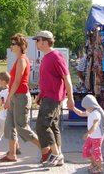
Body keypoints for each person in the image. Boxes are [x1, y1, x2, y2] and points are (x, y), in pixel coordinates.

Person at [33, 30, 76, 167]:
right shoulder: (46, 57)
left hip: (53, 97)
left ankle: (56, 154)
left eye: (38, 40)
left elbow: (67, 77)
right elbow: (47, 79)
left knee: (41, 125)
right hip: (47, 96)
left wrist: (70, 98)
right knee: (53, 126)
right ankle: (59, 155)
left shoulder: (56, 56)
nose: (36, 42)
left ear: (45, 42)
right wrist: (40, 94)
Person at [0, 34, 41, 163]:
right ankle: (12, 154)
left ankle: (45, 149)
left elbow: (17, 81)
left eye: (13, 44)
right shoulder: (18, 59)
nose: (11, 46)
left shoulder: (22, 59)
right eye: (11, 44)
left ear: (20, 46)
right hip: (14, 96)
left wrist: (8, 98)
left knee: (22, 127)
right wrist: (10, 97)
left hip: (21, 97)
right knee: (10, 125)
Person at [71, 95, 104, 174]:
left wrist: (88, 133)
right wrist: (73, 108)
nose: (85, 109)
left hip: (97, 137)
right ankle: (94, 163)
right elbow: (81, 113)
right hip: (91, 136)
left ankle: (100, 168)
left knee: (96, 152)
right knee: (85, 150)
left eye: (86, 107)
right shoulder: (90, 111)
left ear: (91, 105)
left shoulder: (96, 113)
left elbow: (95, 125)